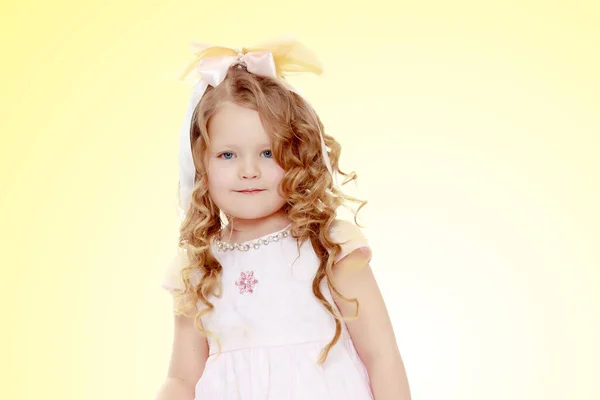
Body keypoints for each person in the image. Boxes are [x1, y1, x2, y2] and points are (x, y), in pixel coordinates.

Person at [155, 38, 411, 400]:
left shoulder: (329, 247)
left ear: (297, 156)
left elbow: (381, 356)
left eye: (267, 152)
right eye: (227, 154)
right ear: (200, 164)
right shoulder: (199, 266)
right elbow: (181, 376)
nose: (248, 171)